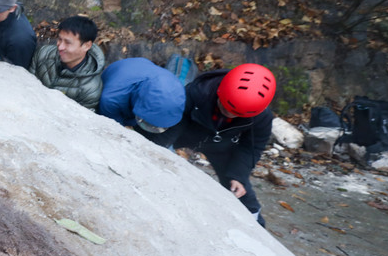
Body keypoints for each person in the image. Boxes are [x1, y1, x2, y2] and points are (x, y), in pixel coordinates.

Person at [164, 63, 276, 227]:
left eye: (235, 113)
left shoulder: (261, 116)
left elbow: (251, 147)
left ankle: (257, 229)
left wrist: (238, 176)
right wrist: (163, 149)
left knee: (242, 194)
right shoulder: (198, 91)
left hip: (222, 145)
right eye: (224, 105)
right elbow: (175, 122)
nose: (228, 112)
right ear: (220, 91)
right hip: (187, 131)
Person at [98, 57, 186, 144]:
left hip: (141, 68)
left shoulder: (174, 89)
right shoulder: (110, 100)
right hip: (119, 84)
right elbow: (113, 129)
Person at [29, 15, 105, 110]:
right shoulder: (44, 54)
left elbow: (82, 120)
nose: (60, 47)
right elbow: (27, 84)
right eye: (59, 39)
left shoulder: (90, 88)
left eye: (68, 43)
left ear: (86, 45)